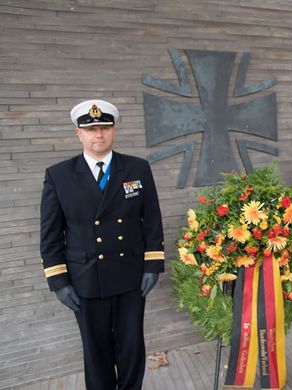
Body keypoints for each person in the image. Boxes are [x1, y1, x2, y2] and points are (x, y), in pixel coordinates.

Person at [40, 99, 165, 390]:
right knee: (96, 354)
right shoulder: (59, 176)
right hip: (85, 279)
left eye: (105, 127)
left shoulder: (137, 168)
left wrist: (153, 265)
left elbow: (152, 222)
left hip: (131, 275)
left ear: (114, 130)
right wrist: (59, 281)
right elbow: (50, 235)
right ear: (79, 134)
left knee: (132, 348)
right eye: (92, 128)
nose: (99, 134)